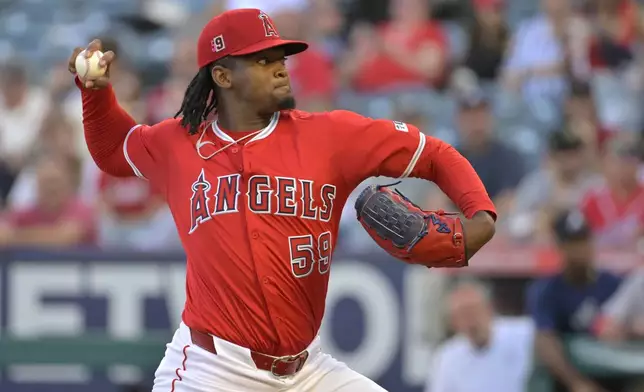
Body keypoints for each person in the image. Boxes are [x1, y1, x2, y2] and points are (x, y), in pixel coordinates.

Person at [68, 8, 496, 391]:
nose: (279, 69)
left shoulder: (329, 135)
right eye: (262, 60)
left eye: (279, 58)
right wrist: (95, 92)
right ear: (222, 75)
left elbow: (435, 154)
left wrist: (481, 215)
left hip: (307, 371)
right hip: (212, 370)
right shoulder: (177, 143)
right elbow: (113, 149)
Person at [526, 209, 622, 392]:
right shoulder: (547, 289)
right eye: (573, 243)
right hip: (568, 380)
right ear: (560, 247)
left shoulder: (612, 283)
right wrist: (577, 383)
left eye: (584, 241)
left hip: (615, 375)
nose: (581, 250)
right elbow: (545, 340)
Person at [427, 281, 533, 392]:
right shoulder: (447, 358)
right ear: (454, 323)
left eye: (473, 311)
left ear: (489, 309)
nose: (470, 321)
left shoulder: (524, 335)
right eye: (462, 315)